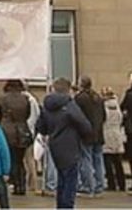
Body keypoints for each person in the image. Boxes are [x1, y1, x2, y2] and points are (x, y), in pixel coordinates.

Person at [36, 77, 91, 209]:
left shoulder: (47, 106)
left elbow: (41, 127)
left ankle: (60, 205)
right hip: (70, 145)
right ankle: (66, 206)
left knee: (61, 179)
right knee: (70, 181)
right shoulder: (70, 105)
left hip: (55, 145)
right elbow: (85, 125)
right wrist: (83, 136)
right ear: (68, 89)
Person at [0, 79, 32, 196]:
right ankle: (22, 184)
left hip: (7, 132)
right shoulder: (25, 99)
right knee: (20, 159)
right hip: (22, 131)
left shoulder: (2, 99)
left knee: (11, 159)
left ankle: (15, 183)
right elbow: (27, 115)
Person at [73, 76, 106, 197]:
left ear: (81, 84)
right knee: (98, 159)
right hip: (98, 132)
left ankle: (87, 186)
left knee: (85, 159)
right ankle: (99, 185)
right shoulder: (98, 98)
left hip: (85, 133)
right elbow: (104, 116)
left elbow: (76, 116)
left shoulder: (79, 98)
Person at [100, 87, 126, 192]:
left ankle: (112, 184)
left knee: (107, 160)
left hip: (106, 132)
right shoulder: (117, 106)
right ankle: (122, 183)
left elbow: (102, 119)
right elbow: (121, 119)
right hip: (117, 133)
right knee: (118, 161)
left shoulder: (103, 106)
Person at [22, 86, 42, 195]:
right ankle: (31, 183)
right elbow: (38, 115)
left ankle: (32, 183)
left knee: (28, 159)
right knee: (30, 159)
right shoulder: (33, 99)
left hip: (25, 131)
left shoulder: (26, 100)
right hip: (31, 130)